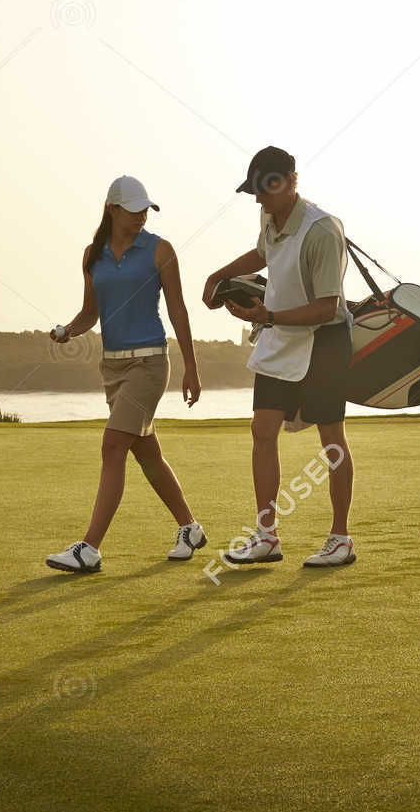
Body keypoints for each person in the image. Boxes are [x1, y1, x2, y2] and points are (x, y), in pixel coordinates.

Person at [204, 146, 357, 568]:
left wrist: (267, 316)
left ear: (291, 181)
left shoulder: (323, 231)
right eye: (254, 191)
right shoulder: (269, 215)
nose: (258, 199)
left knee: (332, 441)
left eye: (264, 190)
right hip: (279, 334)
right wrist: (220, 275)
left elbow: (326, 306)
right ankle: (266, 536)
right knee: (262, 430)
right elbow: (263, 254)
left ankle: (341, 538)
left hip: (325, 340)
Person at [45, 175, 208, 573]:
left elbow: (178, 311)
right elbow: (91, 312)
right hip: (113, 366)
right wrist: (69, 330)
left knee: (113, 445)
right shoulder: (92, 255)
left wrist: (191, 367)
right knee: (147, 455)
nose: (141, 217)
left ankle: (90, 549)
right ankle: (190, 528)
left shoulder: (160, 249)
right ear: (112, 210)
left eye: (145, 210)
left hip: (149, 364)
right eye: (133, 211)